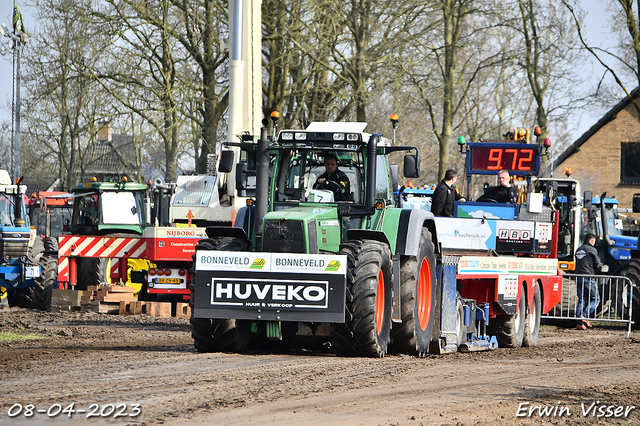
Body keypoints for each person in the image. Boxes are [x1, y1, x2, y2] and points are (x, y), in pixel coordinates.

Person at [574, 233, 603, 330]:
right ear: (592, 241)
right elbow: (597, 264)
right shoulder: (592, 250)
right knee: (596, 299)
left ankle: (579, 324)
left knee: (581, 299)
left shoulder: (579, 250)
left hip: (578, 277)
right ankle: (584, 316)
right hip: (588, 277)